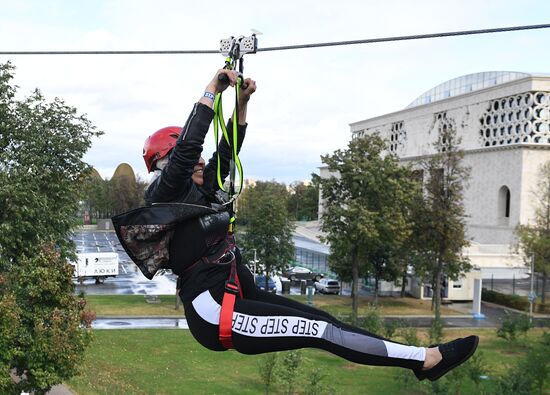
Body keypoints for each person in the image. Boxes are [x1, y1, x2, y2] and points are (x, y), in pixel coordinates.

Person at [115, 68, 478, 382]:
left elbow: (228, 151)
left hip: (237, 293)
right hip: (215, 310)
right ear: (164, 162)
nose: (199, 163)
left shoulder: (198, 193)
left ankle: (421, 359)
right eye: (184, 158)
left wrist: (242, 102)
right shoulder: (162, 195)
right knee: (322, 332)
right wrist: (212, 88)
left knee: (324, 321)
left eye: (197, 161)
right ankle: (424, 360)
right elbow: (190, 148)